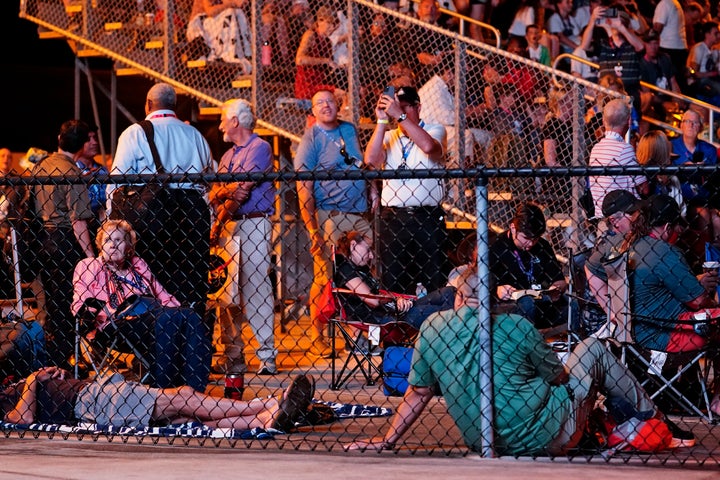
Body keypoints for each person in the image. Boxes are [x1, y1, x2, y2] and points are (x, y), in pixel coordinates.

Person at [346, 268, 664, 455]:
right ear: (495, 301)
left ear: (457, 297)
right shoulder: (516, 325)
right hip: (548, 432)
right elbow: (558, 378)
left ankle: (613, 420)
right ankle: (654, 416)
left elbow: (417, 393)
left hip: (483, 440)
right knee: (592, 348)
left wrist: (386, 441)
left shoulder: (432, 328)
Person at [110, 82, 214, 315]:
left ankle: (154, 335)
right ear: (174, 105)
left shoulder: (135, 133)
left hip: (151, 216)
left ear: (148, 104)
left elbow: (117, 180)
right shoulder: (194, 134)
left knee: (150, 279)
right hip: (190, 213)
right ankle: (189, 329)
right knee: (190, 279)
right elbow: (208, 177)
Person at [72, 220, 212, 392]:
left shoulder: (137, 264)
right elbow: (80, 301)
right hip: (116, 324)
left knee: (190, 316)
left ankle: (195, 390)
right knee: (169, 318)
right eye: (108, 240)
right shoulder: (90, 265)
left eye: (118, 240)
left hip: (154, 316)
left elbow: (160, 292)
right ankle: (163, 392)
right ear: (100, 246)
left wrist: (180, 311)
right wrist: (91, 313)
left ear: (129, 246)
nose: (113, 245)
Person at [1, 366, 314, 433]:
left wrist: (57, 376)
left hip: (93, 395)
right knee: (183, 397)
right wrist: (31, 381)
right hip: (94, 401)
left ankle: (266, 421)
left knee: (190, 420)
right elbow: (22, 420)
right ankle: (267, 403)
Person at [294, 89, 371, 358]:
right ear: (312, 111)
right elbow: (304, 188)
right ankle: (318, 335)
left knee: (364, 273)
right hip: (331, 217)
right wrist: (312, 229)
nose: (326, 106)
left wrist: (371, 194)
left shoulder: (349, 130)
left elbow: (363, 164)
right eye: (319, 103)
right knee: (325, 276)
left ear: (338, 105)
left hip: (359, 214)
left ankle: (357, 331)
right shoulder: (311, 138)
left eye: (330, 101)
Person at [209, 99, 277, 376]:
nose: (221, 125)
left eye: (224, 119)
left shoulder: (260, 148)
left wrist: (221, 213)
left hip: (253, 223)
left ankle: (267, 356)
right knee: (228, 291)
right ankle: (234, 356)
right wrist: (224, 193)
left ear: (235, 120)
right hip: (231, 225)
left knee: (256, 286)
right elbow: (219, 193)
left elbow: (243, 191)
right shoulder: (228, 156)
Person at [364, 86, 447, 294]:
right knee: (393, 281)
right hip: (394, 218)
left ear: (417, 107)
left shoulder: (435, 129)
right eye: (395, 107)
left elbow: (429, 148)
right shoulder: (389, 135)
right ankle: (396, 323)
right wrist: (382, 120)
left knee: (432, 279)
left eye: (404, 107)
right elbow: (371, 161)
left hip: (426, 217)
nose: (397, 111)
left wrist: (400, 116)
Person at [33, 120, 96, 368]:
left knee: (48, 306)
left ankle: (49, 361)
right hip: (64, 243)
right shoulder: (72, 173)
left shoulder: (41, 167)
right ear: (81, 145)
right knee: (66, 307)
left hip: (41, 241)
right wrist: (91, 255)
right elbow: (78, 220)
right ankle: (61, 362)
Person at [334, 231, 455, 331]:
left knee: (449, 292)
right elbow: (373, 300)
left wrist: (397, 300)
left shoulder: (361, 268)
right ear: (353, 245)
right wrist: (394, 300)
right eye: (368, 250)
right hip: (386, 319)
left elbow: (378, 294)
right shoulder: (345, 269)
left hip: (396, 310)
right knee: (447, 310)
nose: (371, 256)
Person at [490, 202, 571, 329]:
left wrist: (557, 289)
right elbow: (481, 284)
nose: (531, 243)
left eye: (535, 238)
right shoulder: (496, 247)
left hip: (541, 299)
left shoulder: (542, 246)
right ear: (513, 228)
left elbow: (559, 280)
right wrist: (498, 290)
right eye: (526, 238)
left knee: (573, 305)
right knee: (527, 303)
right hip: (511, 303)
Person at [587, 98, 645, 220]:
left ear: (603, 121)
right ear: (628, 122)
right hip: (623, 217)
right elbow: (644, 188)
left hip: (602, 216)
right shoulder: (624, 149)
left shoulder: (595, 148)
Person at [670, 109, 718, 206]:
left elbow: (715, 180)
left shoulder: (710, 150)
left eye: (695, 122)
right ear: (681, 125)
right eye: (687, 121)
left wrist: (704, 170)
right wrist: (683, 168)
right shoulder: (670, 147)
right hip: (679, 199)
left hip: (705, 199)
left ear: (700, 127)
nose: (691, 125)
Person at [186, 0, 252, 68]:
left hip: (212, 25)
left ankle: (246, 52)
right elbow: (210, 12)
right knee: (229, 13)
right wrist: (233, 3)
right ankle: (226, 54)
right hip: (199, 27)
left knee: (238, 12)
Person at [294, 7, 338, 100]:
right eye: (329, 23)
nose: (332, 27)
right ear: (320, 21)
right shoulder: (310, 35)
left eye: (334, 24)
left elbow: (326, 67)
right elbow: (300, 59)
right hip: (308, 85)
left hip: (320, 83)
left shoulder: (328, 42)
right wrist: (325, 61)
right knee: (341, 94)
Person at [73, 124, 107, 232]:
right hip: (80, 228)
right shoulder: (72, 171)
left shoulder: (103, 170)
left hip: (103, 227)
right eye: (88, 139)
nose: (95, 142)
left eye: (95, 138)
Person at [652, 0, 689, 90]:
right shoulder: (675, 2)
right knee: (679, 80)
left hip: (668, 47)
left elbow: (657, 28)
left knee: (670, 81)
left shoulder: (664, 3)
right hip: (680, 47)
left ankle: (675, 102)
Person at [686, 21, 720, 105]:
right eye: (716, 34)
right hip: (700, 80)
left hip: (711, 79)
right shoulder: (699, 48)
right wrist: (711, 74)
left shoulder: (715, 50)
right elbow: (693, 73)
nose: (718, 36)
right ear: (707, 34)